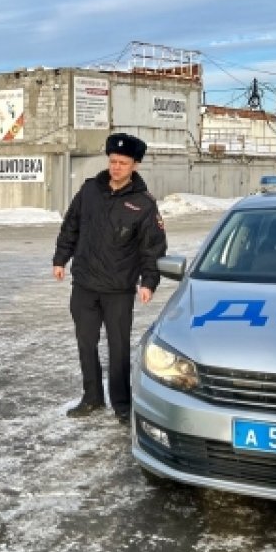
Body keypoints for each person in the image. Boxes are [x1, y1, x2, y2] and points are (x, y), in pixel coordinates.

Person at [52, 132, 167, 425]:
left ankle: (122, 404)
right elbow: (71, 226)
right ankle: (92, 397)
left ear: (135, 165)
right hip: (85, 285)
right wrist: (60, 259)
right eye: (113, 161)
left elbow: (152, 248)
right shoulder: (90, 190)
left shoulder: (143, 204)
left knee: (119, 349)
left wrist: (149, 282)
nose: (116, 167)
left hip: (118, 289)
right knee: (85, 343)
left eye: (123, 163)